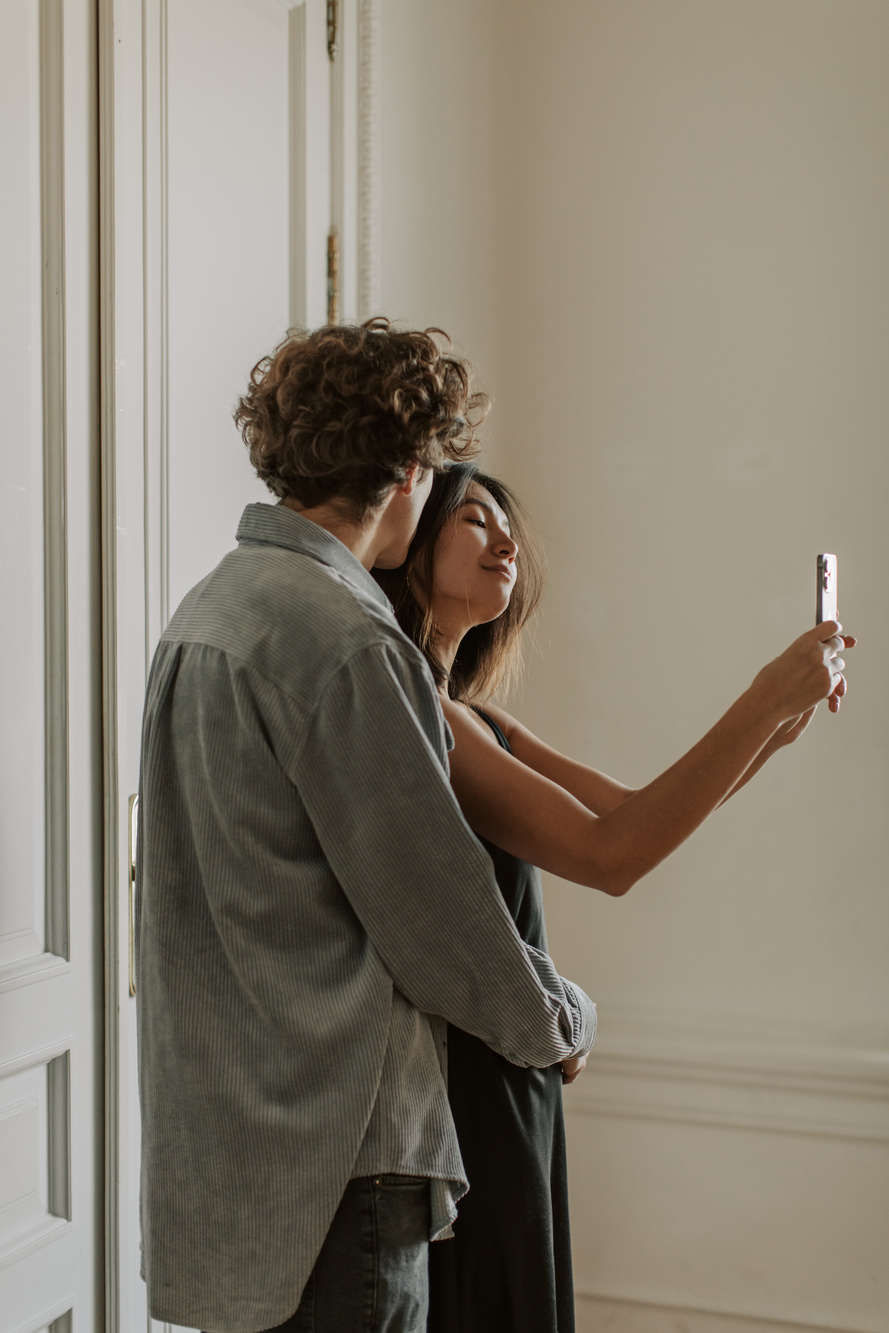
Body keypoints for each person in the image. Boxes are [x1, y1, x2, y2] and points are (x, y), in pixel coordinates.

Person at [134, 321, 597, 1333]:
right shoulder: (346, 638)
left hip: (227, 1147)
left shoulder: (207, 613)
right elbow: (438, 916)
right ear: (408, 470)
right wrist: (557, 1022)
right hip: (340, 1159)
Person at [373, 462, 855, 1333]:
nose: (507, 542)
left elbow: (631, 813)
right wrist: (760, 699)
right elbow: (613, 855)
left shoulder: (474, 716)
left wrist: (776, 726)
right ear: (409, 545)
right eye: (475, 520)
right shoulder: (420, 715)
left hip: (516, 1073)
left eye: (505, 524)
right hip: (465, 1082)